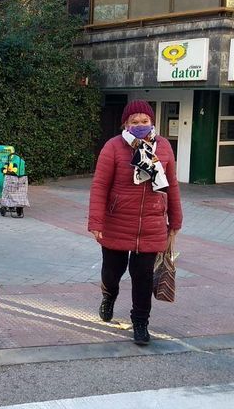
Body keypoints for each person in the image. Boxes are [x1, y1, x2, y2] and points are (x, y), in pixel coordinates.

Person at [87, 100, 182, 345]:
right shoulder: (113, 147)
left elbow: (171, 185)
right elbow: (99, 186)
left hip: (151, 225)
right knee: (112, 271)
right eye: (134, 122)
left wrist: (176, 219)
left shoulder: (163, 147)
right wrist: (95, 222)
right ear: (126, 124)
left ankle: (140, 322)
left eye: (144, 121)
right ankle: (109, 294)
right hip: (117, 222)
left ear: (152, 122)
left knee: (143, 278)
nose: (140, 125)